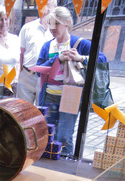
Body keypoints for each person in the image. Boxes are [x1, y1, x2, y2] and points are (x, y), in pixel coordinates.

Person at [37, 6, 107, 157]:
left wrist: (81, 58)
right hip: (49, 95)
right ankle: (46, 162)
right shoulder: (47, 45)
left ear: (67, 23)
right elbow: (38, 70)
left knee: (64, 136)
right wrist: (57, 59)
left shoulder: (80, 43)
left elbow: (102, 59)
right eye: (50, 23)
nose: (52, 28)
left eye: (56, 24)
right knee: (47, 133)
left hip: (71, 95)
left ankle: (63, 167)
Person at [17, 0, 57, 104]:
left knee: (40, 111)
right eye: (43, 6)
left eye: (49, 6)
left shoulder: (55, 31)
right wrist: (19, 74)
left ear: (54, 9)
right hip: (26, 75)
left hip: (45, 78)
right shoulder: (28, 28)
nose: (46, 10)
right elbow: (21, 53)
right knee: (22, 110)